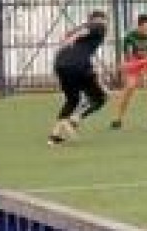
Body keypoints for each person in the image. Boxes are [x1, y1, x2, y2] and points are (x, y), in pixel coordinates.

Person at [48, 11, 111, 146]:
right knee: (101, 98)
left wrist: (71, 38)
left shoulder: (81, 28)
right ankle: (73, 119)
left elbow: (67, 37)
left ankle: (54, 137)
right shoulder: (98, 26)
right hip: (78, 65)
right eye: (105, 20)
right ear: (99, 19)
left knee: (72, 100)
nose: (106, 24)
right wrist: (75, 36)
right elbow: (89, 29)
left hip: (61, 64)